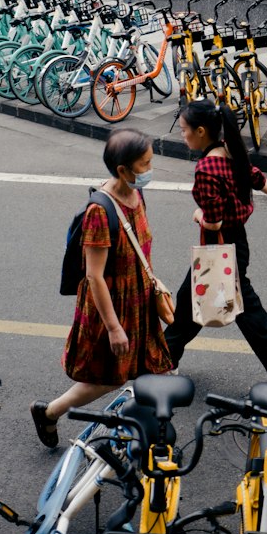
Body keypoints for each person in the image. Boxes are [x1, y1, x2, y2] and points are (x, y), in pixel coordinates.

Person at [31, 130, 173, 445]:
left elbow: (138, 247)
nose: (151, 168)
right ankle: (49, 413)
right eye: (145, 163)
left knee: (158, 372)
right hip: (112, 307)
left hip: (138, 300)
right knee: (109, 378)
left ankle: (147, 439)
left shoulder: (137, 194)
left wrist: (153, 278)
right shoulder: (100, 212)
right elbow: (94, 276)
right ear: (123, 171)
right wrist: (113, 328)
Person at [164, 99, 267, 391]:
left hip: (220, 245)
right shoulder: (232, 152)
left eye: (184, 130)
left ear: (201, 131)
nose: (182, 135)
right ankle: (165, 361)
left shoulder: (206, 169)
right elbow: (256, 178)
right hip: (236, 242)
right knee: (190, 302)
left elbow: (213, 222)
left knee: (248, 313)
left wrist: (198, 215)